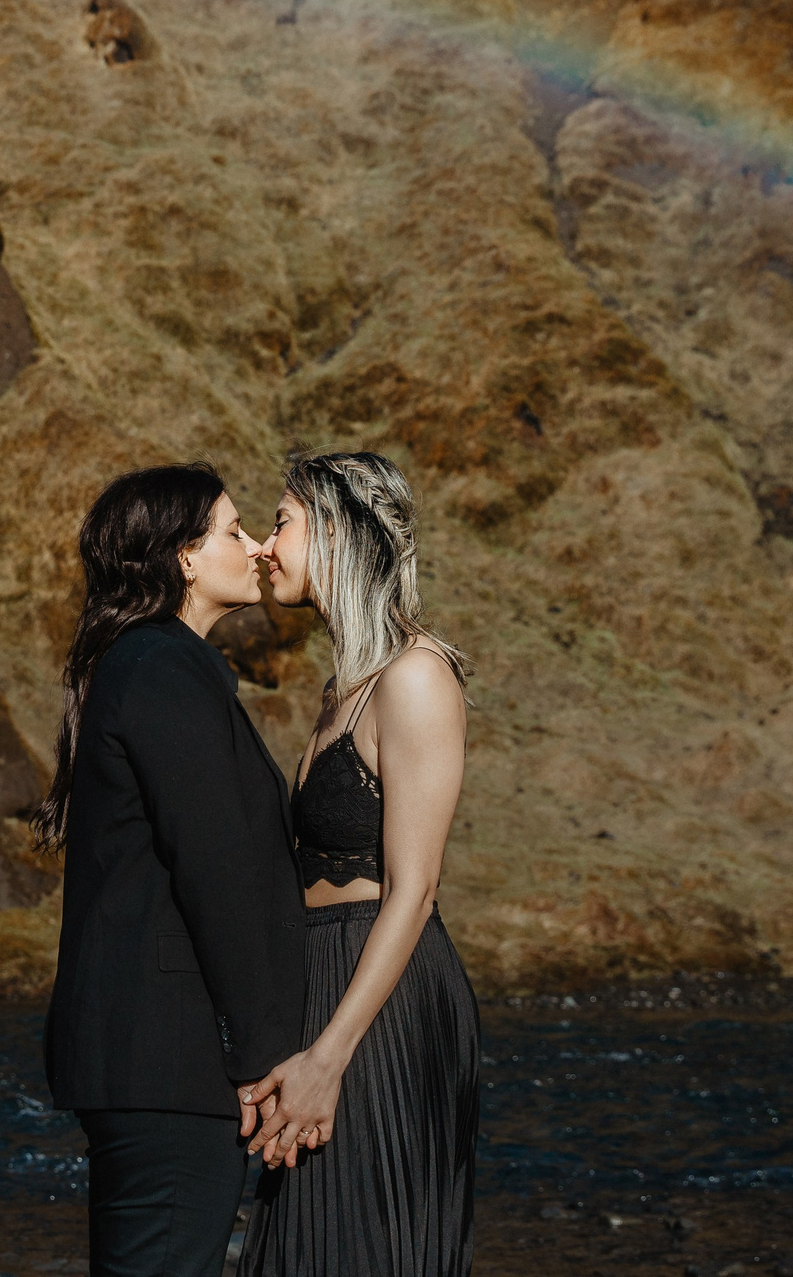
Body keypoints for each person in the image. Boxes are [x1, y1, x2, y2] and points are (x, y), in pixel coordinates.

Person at [39, 462, 308, 1277]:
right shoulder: (159, 668)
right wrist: (267, 1058)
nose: (257, 546)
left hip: (156, 1058)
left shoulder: (152, 666)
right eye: (234, 530)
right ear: (185, 558)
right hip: (165, 1058)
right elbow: (216, 871)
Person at [235, 450, 480, 1276]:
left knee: (367, 1245)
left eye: (282, 522)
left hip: (383, 1004)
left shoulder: (415, 678)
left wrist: (329, 1055)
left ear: (336, 532)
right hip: (326, 988)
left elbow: (414, 891)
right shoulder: (344, 686)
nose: (265, 547)